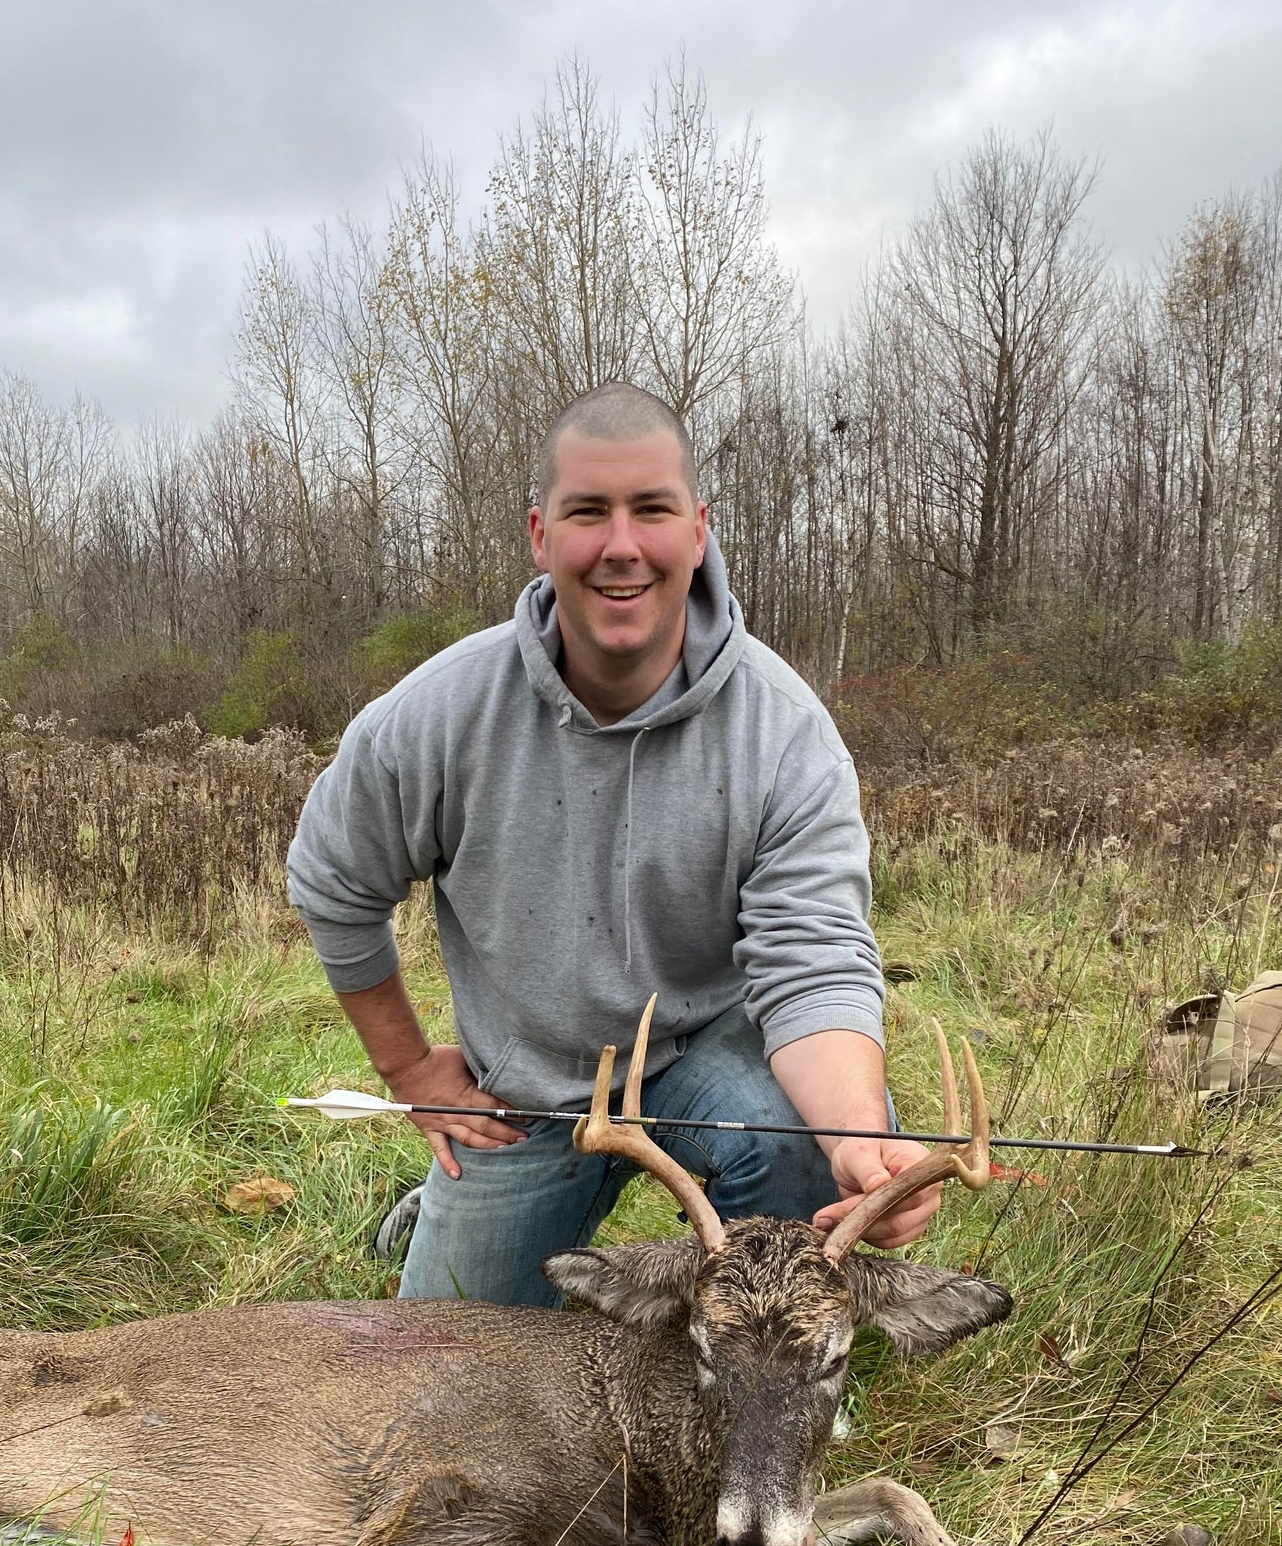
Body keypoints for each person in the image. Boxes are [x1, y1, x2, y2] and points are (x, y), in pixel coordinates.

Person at [286, 382, 942, 1305]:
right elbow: (332, 882)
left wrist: (856, 1138)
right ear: (540, 534)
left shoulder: (784, 731)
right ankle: (433, 1216)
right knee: (439, 1373)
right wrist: (407, 1067)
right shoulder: (439, 714)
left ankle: (767, 1347)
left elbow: (815, 964)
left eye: (653, 510)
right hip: (526, 1095)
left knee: (793, 1147)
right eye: (588, 511)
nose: (622, 545)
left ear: (699, 528)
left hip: (704, 1059)